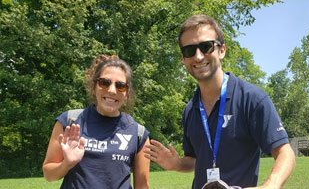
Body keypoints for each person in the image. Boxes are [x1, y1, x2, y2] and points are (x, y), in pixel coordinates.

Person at [144, 14, 295, 189]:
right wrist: (177, 164)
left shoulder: (252, 98)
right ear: (183, 59)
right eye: (189, 50)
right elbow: (194, 161)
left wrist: (271, 185)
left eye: (206, 46)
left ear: (221, 50)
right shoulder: (190, 109)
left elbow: (285, 152)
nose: (198, 56)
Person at [43, 54, 150, 189]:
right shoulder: (69, 121)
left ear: (127, 92)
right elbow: (48, 174)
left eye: (120, 86)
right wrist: (67, 164)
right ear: (94, 87)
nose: (111, 90)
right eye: (104, 83)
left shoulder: (139, 134)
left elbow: (142, 186)